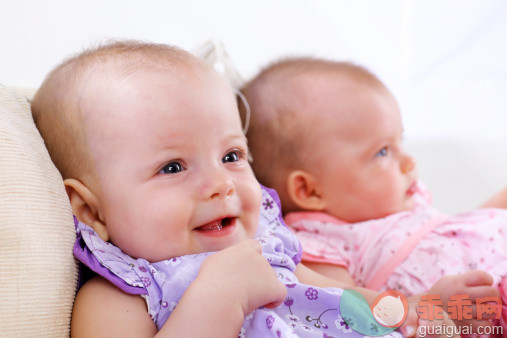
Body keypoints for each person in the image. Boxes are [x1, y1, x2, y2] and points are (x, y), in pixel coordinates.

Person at [31, 41, 454, 337]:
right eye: (173, 167)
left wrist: (418, 310)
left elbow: (347, 301)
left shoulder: (265, 249)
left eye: (232, 156)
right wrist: (219, 297)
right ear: (91, 211)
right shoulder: (120, 298)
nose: (221, 184)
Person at [240, 57, 507, 332]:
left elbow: (468, 233)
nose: (408, 162)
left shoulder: (405, 206)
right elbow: (351, 316)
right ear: (310, 191)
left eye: (399, 141)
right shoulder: (320, 245)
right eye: (382, 151)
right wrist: (430, 304)